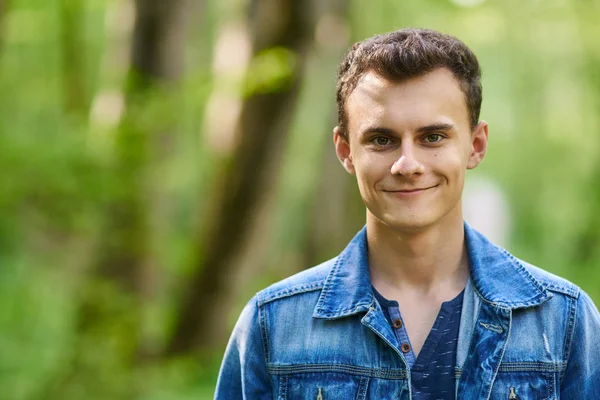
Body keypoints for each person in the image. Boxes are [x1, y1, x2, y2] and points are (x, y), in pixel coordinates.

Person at [214, 28, 600, 399]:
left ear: (475, 145)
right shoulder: (273, 325)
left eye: (432, 137)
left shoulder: (564, 321)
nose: (407, 164)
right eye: (381, 140)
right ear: (346, 152)